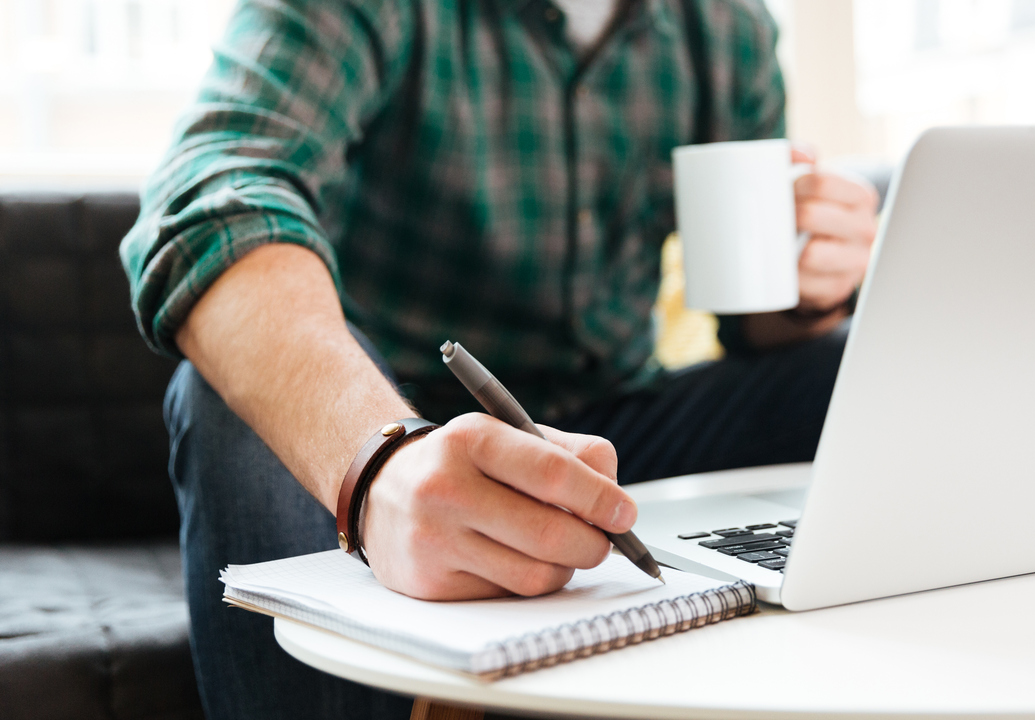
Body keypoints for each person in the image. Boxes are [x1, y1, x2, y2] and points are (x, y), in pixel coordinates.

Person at [120, 0, 879, 717]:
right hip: (400, 425)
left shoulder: (725, 23)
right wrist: (380, 462)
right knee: (230, 401)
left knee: (854, 373)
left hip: (610, 440)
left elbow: (754, 326)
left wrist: (807, 282)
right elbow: (210, 197)